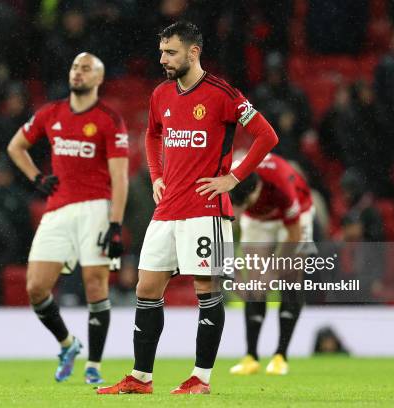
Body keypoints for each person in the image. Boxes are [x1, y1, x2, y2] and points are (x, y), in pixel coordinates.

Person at [97, 21, 278, 395]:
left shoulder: (223, 94)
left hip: (207, 210)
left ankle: (201, 378)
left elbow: (266, 135)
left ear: (193, 52)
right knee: (146, 288)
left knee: (206, 289)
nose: (163, 58)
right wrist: (156, 174)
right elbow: (151, 134)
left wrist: (234, 178)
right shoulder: (161, 94)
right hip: (167, 210)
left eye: (171, 52)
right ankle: (141, 378)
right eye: (162, 51)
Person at [7, 52, 129, 384]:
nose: (78, 72)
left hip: (96, 208)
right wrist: (36, 178)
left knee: (95, 284)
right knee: (35, 288)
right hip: (58, 208)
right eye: (75, 67)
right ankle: (68, 344)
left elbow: (120, 177)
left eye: (87, 69)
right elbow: (16, 146)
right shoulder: (51, 112)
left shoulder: (109, 119)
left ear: (99, 79)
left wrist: (116, 224)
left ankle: (95, 365)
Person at [227, 153, 314, 376]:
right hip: (258, 221)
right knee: (255, 282)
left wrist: (273, 271)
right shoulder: (229, 178)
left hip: (297, 214)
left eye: (243, 204)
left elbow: (293, 235)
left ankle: (280, 355)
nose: (237, 211)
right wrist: (229, 271)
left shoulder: (281, 184)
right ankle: (250, 356)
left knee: (291, 276)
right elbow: (223, 230)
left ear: (256, 190)